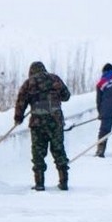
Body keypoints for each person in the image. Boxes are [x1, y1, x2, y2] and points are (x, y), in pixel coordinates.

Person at [13, 61, 71, 191]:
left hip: (38, 123)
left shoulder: (29, 83)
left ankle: (39, 184)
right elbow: (66, 96)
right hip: (56, 121)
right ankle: (64, 182)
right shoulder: (55, 79)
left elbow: (21, 101)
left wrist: (18, 118)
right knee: (59, 150)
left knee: (38, 152)